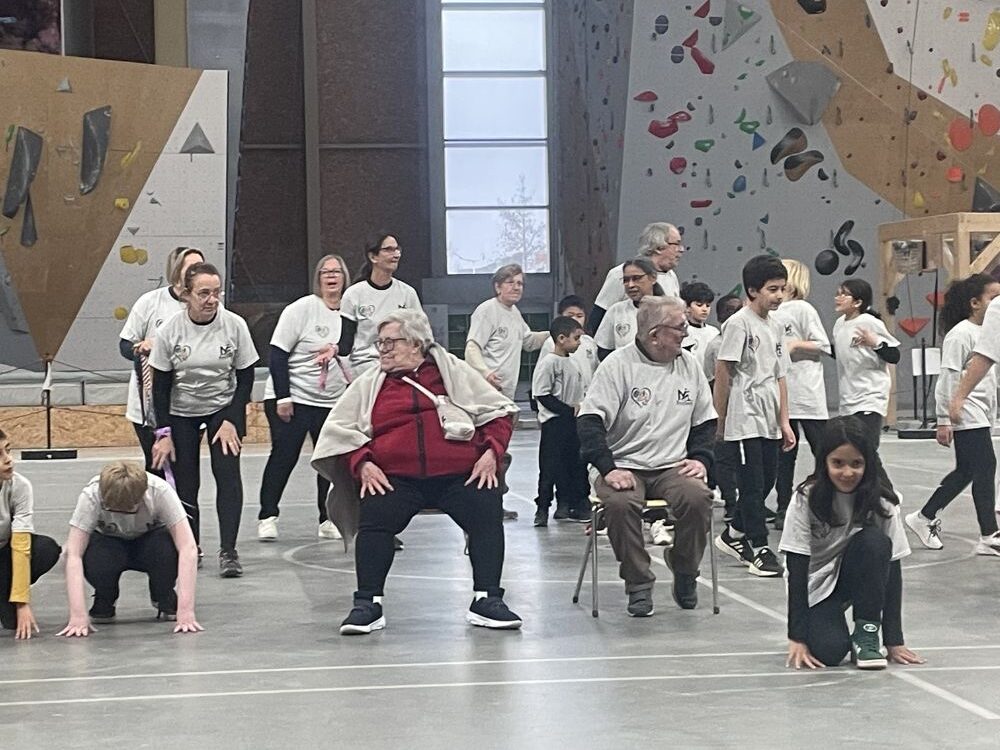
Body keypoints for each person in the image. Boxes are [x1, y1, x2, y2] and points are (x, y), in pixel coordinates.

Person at [310, 310, 522, 635]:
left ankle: (487, 598)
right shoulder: (370, 384)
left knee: (486, 507)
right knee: (375, 517)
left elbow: (499, 413)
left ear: (415, 344)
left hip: (458, 474)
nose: (383, 349)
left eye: (390, 342)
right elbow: (340, 431)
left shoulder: (453, 373)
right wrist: (362, 462)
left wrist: (491, 453)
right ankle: (368, 604)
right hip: (396, 478)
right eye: (380, 343)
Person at [578, 296, 715, 616]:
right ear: (655, 335)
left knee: (698, 498)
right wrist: (608, 469)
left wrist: (701, 458)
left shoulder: (689, 364)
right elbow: (589, 422)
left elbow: (706, 422)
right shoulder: (617, 366)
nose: (686, 333)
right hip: (623, 464)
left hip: (672, 465)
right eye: (680, 327)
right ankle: (638, 583)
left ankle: (684, 569)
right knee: (620, 503)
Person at [780, 417, 923, 670]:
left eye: (856, 464)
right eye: (838, 463)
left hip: (855, 575)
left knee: (875, 542)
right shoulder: (805, 498)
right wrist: (797, 636)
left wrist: (894, 640)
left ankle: (866, 634)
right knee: (829, 652)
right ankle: (829, 622)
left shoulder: (883, 501)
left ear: (868, 464)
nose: (847, 473)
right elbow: (797, 566)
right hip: (817, 585)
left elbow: (893, 569)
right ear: (824, 462)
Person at [149, 262, 259, 578]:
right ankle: (190, 547)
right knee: (186, 482)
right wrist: (163, 433)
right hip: (181, 410)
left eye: (216, 292)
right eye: (204, 293)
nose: (212, 300)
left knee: (227, 474)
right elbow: (160, 388)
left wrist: (232, 420)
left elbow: (246, 378)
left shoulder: (234, 325)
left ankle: (229, 551)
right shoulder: (170, 330)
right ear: (187, 295)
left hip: (222, 407)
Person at [258, 254, 354, 542]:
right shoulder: (301, 309)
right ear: (318, 278)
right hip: (295, 397)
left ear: (345, 277)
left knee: (329, 461)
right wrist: (283, 397)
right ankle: (267, 515)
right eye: (325, 272)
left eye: (336, 272)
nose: (331, 276)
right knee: (284, 456)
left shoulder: (350, 313)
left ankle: (327, 518)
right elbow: (278, 354)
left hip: (331, 401)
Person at [906, 274, 1000, 554]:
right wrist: (944, 418)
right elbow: (947, 377)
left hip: (981, 411)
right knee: (985, 465)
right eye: (993, 297)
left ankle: (923, 516)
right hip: (965, 410)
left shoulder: (989, 332)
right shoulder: (961, 334)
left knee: (967, 470)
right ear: (975, 303)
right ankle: (989, 534)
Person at [714, 255, 795, 578]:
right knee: (751, 485)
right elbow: (724, 371)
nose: (779, 295)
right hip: (744, 416)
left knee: (767, 482)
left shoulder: (776, 326)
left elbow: (780, 375)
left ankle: (733, 533)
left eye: (782, 289)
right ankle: (759, 547)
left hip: (768, 416)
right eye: (772, 289)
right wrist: (720, 420)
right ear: (752, 290)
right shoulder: (738, 324)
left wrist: (784, 421)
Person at [57, 461, 202, 637]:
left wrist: (186, 611)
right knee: (92, 553)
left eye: (130, 510)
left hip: (150, 544)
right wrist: (78, 616)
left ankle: (163, 593)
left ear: (142, 495)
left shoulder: (159, 490)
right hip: (109, 545)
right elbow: (73, 554)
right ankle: (105, 595)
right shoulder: (91, 494)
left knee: (167, 546)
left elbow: (188, 548)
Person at [465, 263, 549, 520]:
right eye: (511, 282)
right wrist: (485, 373)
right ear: (497, 286)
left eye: (520, 283)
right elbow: (472, 347)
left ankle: (493, 504)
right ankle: (479, 506)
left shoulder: (514, 314)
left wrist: (555, 332)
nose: (516, 287)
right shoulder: (487, 310)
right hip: (485, 395)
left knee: (499, 452)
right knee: (486, 449)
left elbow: (528, 342)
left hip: (506, 398)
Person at [118, 247, 205, 473]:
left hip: (191, 402)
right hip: (150, 404)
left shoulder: (206, 304)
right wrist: (142, 347)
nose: (197, 272)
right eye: (191, 268)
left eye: (200, 267)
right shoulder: (150, 302)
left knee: (186, 468)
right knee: (156, 467)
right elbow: (125, 345)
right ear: (176, 271)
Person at [771, 259, 831, 530]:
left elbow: (823, 345)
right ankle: (784, 506)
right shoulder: (773, 312)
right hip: (783, 394)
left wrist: (795, 345)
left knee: (822, 450)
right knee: (784, 456)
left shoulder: (803, 309)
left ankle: (822, 502)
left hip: (807, 394)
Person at [532, 295, 597, 521]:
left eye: (580, 315)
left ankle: (577, 502)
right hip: (555, 421)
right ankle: (543, 508)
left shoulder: (575, 357)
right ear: (561, 338)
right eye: (575, 338)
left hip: (574, 420)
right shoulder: (549, 360)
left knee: (576, 462)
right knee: (550, 467)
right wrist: (567, 410)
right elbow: (541, 393)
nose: (579, 342)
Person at [0, 427, 60, 639]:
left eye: (8, 450)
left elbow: (21, 544)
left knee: (46, 548)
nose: (8, 460)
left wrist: (21, 601)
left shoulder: (20, 486)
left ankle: (6, 594)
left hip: (5, 551)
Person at [339, 233, 422, 374]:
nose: (396, 255)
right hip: (364, 369)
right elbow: (345, 344)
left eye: (397, 249)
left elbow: (420, 336)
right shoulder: (354, 294)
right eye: (388, 249)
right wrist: (332, 349)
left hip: (399, 369)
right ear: (373, 257)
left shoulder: (408, 293)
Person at [832, 279, 900, 447]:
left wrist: (875, 343)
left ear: (858, 302)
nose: (838, 298)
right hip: (848, 397)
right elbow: (842, 353)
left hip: (870, 396)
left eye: (844, 294)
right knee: (852, 449)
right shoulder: (839, 324)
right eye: (837, 294)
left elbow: (894, 356)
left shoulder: (869, 322)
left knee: (867, 448)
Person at [588, 222, 684, 334]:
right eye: (676, 244)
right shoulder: (620, 273)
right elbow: (599, 317)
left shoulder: (671, 276)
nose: (681, 249)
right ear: (659, 247)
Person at [704, 293, 743, 520]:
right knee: (725, 457)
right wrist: (720, 412)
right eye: (730, 311)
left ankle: (747, 501)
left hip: (745, 409)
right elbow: (711, 380)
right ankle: (731, 502)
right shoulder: (715, 346)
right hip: (723, 409)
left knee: (745, 459)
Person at [594, 257, 665, 360]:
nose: (630, 285)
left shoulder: (670, 311)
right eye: (626, 280)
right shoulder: (616, 311)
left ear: (653, 278)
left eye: (637, 278)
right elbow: (604, 349)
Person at [679, 281, 719, 371]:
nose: (704, 309)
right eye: (699, 305)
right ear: (687, 307)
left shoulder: (714, 332)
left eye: (708, 305)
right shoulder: (681, 331)